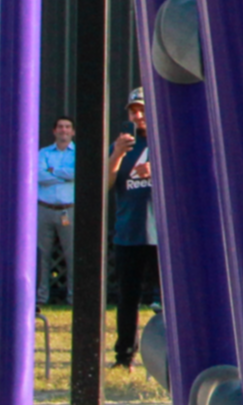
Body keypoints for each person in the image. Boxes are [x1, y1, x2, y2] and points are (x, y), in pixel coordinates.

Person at [107, 90, 156, 370]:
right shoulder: (122, 147)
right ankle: (124, 356)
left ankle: (174, 351)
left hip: (160, 234)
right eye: (133, 111)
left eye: (142, 110)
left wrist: (156, 169)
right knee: (127, 300)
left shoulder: (164, 139)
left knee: (168, 300)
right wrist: (116, 154)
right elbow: (105, 185)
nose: (137, 116)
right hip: (128, 233)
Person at [36, 117, 76, 306]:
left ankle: (73, 297)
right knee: (41, 255)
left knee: (72, 255)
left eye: (67, 127)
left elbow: (76, 173)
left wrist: (53, 171)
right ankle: (40, 297)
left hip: (68, 210)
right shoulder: (43, 153)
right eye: (60, 127)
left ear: (73, 132)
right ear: (54, 131)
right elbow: (39, 175)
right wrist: (64, 175)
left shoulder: (78, 153)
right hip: (44, 209)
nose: (64, 130)